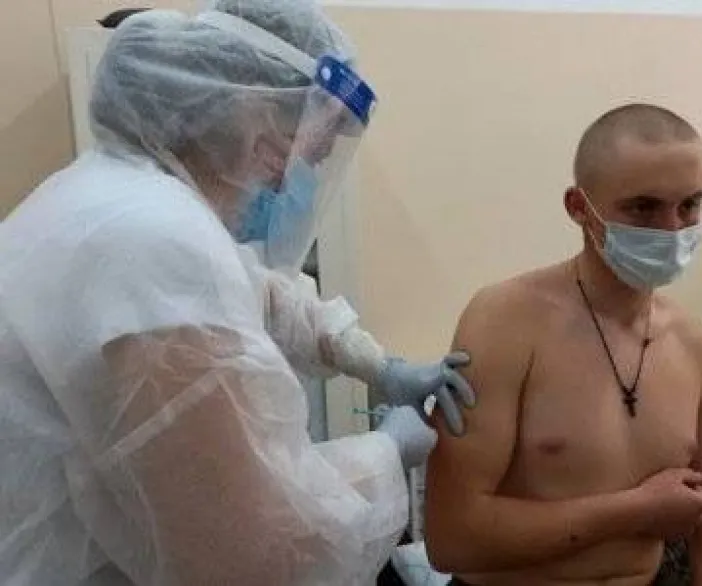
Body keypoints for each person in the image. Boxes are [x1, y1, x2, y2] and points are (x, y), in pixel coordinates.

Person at [0, 2, 474, 584]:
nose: (285, 181)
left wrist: (377, 364)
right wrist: (385, 455)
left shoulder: (103, 196)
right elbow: (255, 546)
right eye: (295, 152)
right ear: (248, 113)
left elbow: (262, 293)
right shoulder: (153, 238)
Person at [424, 104, 702, 586]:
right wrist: (636, 510)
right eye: (643, 207)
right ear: (579, 207)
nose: (671, 231)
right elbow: (452, 537)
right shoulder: (505, 323)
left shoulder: (700, 349)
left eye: (689, 206)